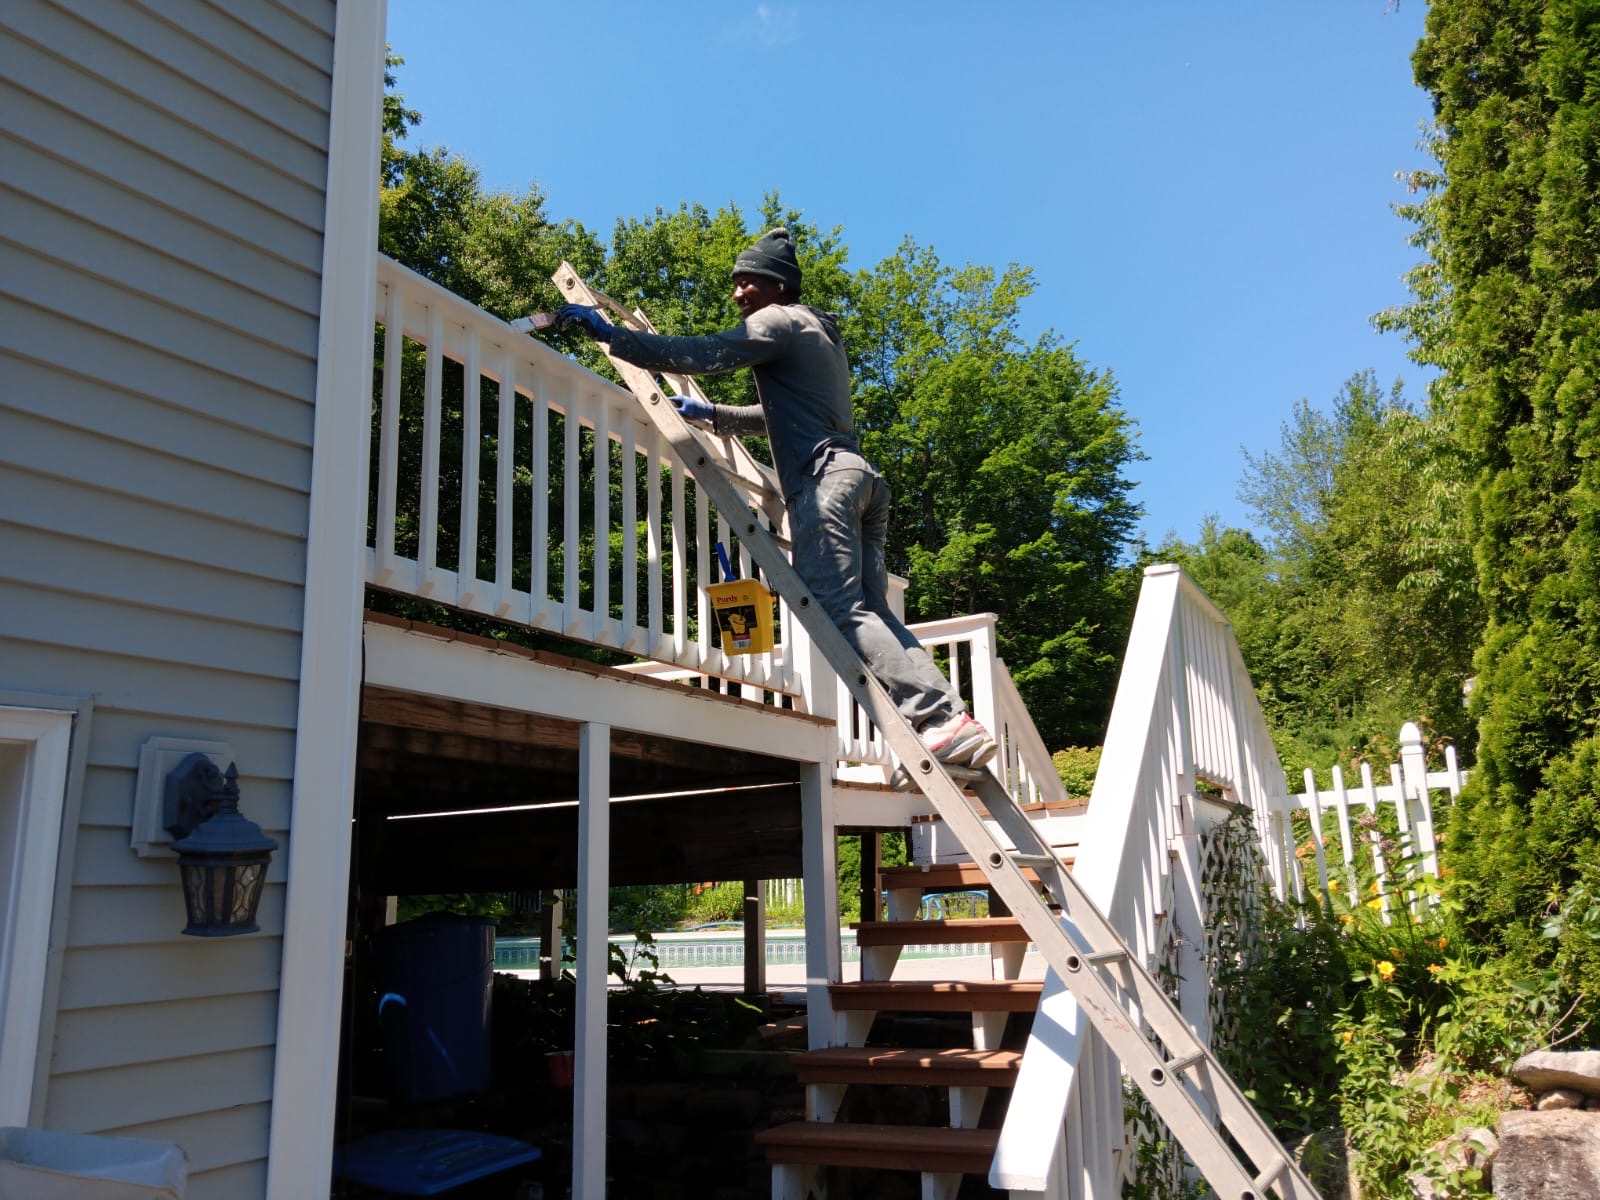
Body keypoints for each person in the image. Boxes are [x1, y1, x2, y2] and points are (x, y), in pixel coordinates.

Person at [553, 228, 996, 770]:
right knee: (871, 610)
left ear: (778, 284)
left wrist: (609, 335)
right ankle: (947, 724)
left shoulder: (777, 321)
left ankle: (938, 717)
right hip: (862, 481)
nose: (739, 294)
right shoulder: (817, 337)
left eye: (749, 282)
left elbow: (703, 353)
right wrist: (715, 416)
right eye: (736, 283)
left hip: (824, 483)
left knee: (837, 609)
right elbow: (779, 417)